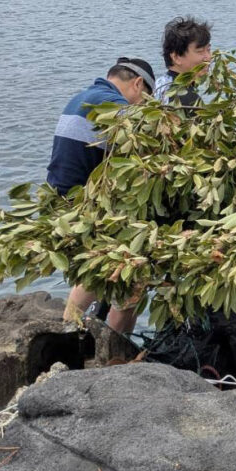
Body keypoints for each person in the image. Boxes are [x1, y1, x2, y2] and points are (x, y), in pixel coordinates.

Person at [51, 57, 156, 333]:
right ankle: (109, 344)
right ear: (137, 84)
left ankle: (72, 327)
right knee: (131, 266)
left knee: (105, 266)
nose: (141, 107)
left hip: (61, 199)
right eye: (145, 99)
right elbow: (145, 155)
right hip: (83, 206)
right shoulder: (117, 108)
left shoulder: (81, 98)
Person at [154, 16, 213, 106]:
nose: (208, 57)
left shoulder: (160, 83)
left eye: (208, 50)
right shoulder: (187, 98)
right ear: (176, 57)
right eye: (200, 51)